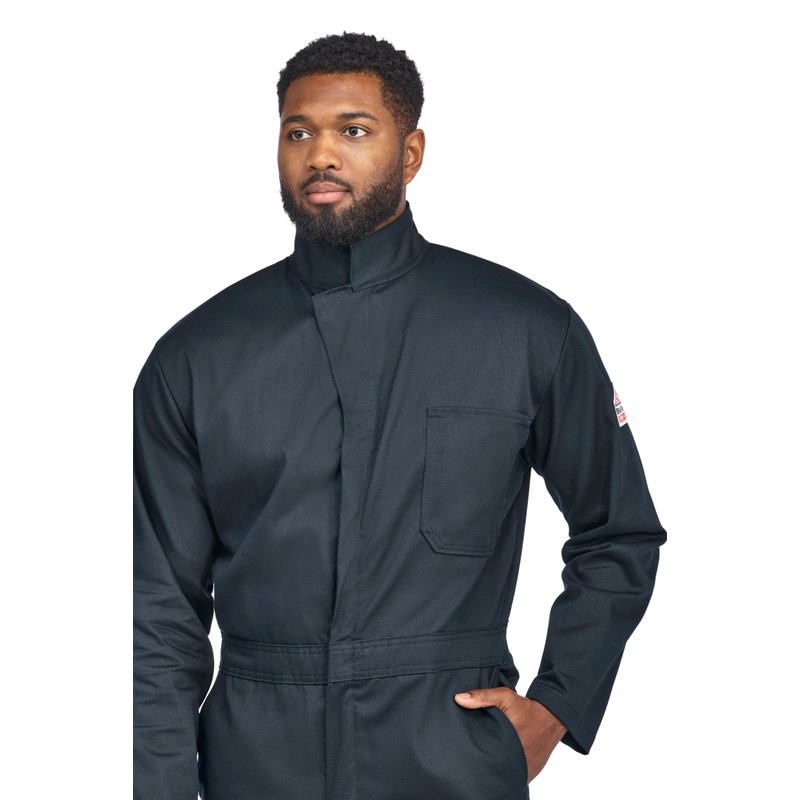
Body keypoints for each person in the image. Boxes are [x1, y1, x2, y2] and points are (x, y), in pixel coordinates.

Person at [133, 32, 667, 800]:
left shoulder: (525, 330)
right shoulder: (196, 356)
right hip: (256, 762)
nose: (321, 154)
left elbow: (619, 533)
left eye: (353, 130)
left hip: (449, 758)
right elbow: (154, 611)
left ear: (410, 153)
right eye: (298, 133)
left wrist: (559, 706)